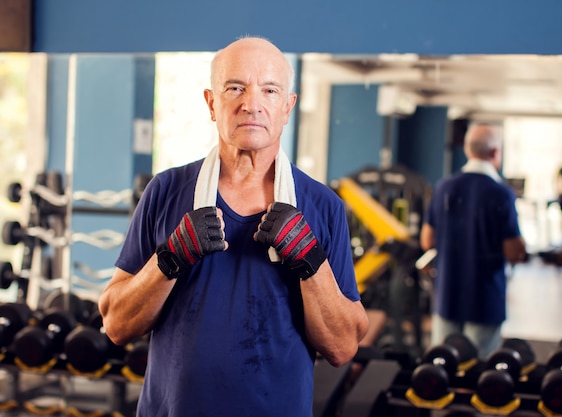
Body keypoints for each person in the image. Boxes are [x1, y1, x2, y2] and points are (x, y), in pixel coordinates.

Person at [98, 36, 369, 417]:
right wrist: (168, 260)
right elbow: (115, 323)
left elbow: (342, 347)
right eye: (235, 88)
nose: (251, 104)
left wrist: (312, 262)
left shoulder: (323, 206)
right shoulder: (166, 190)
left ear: (287, 106)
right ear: (212, 103)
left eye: (270, 90)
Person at [419, 123, 527, 359]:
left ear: (468, 150)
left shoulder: (444, 187)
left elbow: (427, 240)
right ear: (495, 153)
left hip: (447, 294)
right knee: (477, 370)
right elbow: (513, 252)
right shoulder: (501, 193)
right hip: (485, 298)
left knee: (443, 364)